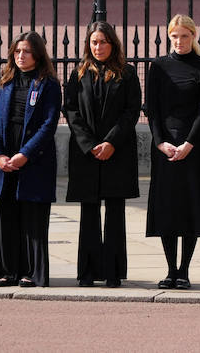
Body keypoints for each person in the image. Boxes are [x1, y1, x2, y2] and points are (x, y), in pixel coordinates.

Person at [64, 21, 142, 288]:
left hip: (117, 152)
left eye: (103, 42)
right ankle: (87, 271)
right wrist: (89, 144)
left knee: (115, 213)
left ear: (113, 44)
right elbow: (71, 111)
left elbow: (131, 112)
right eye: (94, 42)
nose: (98, 47)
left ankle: (113, 271)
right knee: (89, 213)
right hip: (86, 153)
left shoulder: (127, 74)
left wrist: (110, 143)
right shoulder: (78, 74)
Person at [0, 31, 60, 287]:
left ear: (38, 54)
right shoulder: (4, 82)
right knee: (5, 213)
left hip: (32, 156)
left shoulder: (48, 84)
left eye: (26, 51)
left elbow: (49, 124)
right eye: (17, 51)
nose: (21, 56)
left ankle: (31, 271)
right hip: (5, 153)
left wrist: (25, 153)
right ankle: (7, 270)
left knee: (32, 216)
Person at [144, 14, 200, 290]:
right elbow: (152, 109)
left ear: (193, 37)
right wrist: (161, 142)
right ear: (169, 36)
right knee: (166, 208)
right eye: (175, 36)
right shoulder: (159, 66)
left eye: (185, 36)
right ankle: (170, 269)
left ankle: (183, 270)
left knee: (188, 207)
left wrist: (188, 144)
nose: (180, 41)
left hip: (190, 146)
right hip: (164, 146)